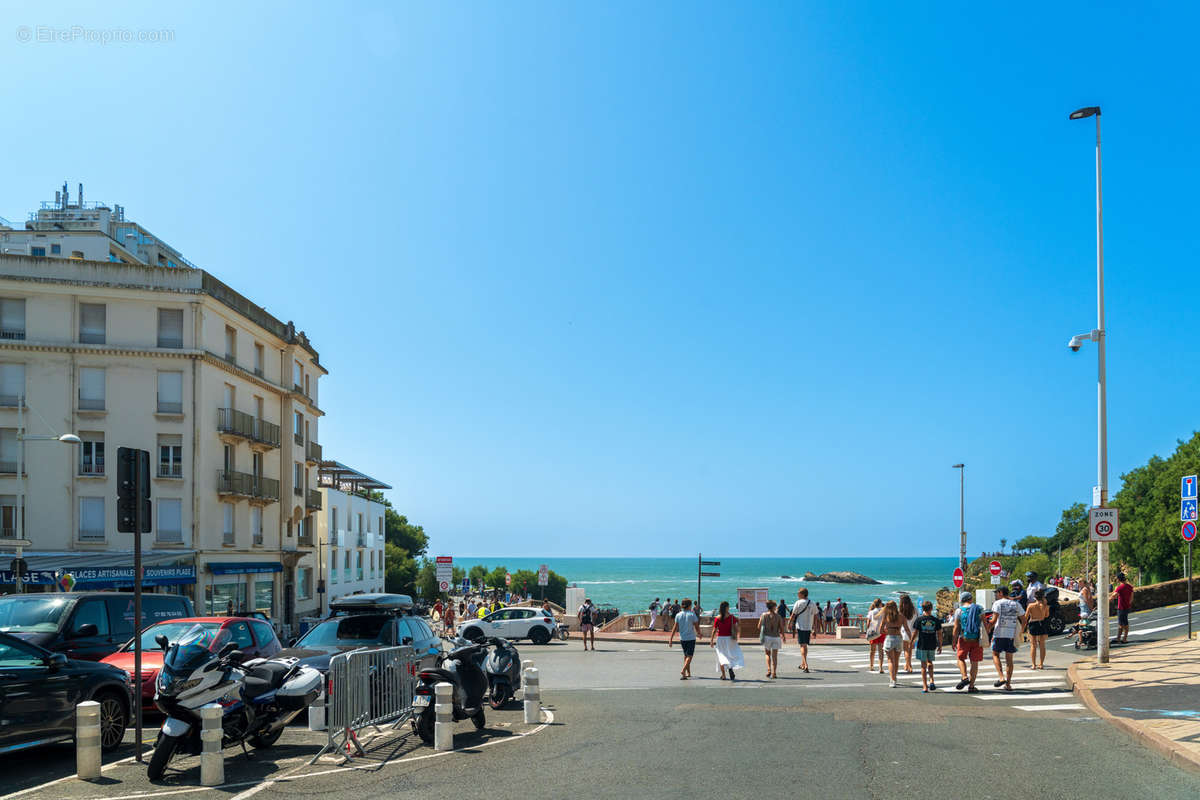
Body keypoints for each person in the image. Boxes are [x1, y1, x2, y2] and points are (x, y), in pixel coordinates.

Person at [988, 585, 1027, 691]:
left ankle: (1001, 677)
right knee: (1009, 659)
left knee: (995, 654)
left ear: (1001, 592)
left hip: (999, 634)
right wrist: (1021, 631)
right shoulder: (1016, 604)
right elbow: (1024, 620)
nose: (996, 595)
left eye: (996, 592)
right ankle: (1008, 684)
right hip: (1011, 634)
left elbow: (994, 620)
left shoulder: (997, 603)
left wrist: (987, 627)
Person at [952, 592, 984, 693]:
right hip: (976, 638)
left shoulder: (959, 610)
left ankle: (964, 676)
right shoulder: (979, 608)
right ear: (970, 599)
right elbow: (985, 624)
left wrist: (954, 641)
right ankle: (971, 686)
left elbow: (956, 627)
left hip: (963, 638)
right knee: (974, 662)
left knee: (960, 658)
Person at [912, 600, 943, 693]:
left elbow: (915, 632)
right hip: (932, 643)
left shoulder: (919, 620)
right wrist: (940, 645)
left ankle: (925, 686)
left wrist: (911, 642)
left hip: (922, 644)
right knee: (930, 662)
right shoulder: (935, 620)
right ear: (931, 608)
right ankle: (932, 680)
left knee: (923, 665)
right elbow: (940, 634)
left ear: (922, 609)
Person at [878, 600, 911, 688]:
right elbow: (907, 629)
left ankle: (892, 680)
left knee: (890, 660)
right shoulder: (901, 616)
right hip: (899, 638)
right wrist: (910, 639)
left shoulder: (886, 616)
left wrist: (886, 631)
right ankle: (895, 678)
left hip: (889, 638)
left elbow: (880, 630)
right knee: (896, 660)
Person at [709, 600, 744, 680]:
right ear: (727, 608)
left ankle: (724, 675)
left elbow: (714, 630)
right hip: (730, 639)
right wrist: (738, 633)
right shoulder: (731, 617)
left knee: (721, 656)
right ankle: (730, 668)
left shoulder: (717, 618)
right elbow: (738, 624)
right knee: (731, 654)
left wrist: (711, 640)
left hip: (720, 639)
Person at [668, 598, 700, 679]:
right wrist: (699, 633)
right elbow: (696, 626)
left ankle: (687, 673)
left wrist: (670, 639)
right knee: (690, 656)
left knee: (686, 656)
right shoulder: (692, 614)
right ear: (689, 606)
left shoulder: (678, 615)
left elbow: (674, 628)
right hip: (691, 638)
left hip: (682, 638)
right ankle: (683, 670)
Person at [788, 588, 816, 672]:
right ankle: (803, 664)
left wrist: (789, 623)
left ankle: (806, 665)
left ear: (803, 594)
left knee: (802, 646)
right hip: (808, 627)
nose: (797, 594)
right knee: (805, 646)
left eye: (798, 593)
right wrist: (814, 628)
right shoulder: (812, 603)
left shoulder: (798, 602)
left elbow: (793, 614)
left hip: (800, 626)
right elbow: (816, 615)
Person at [1025, 588, 1049, 669]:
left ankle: (1033, 664)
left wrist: (1023, 628)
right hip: (1042, 623)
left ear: (1035, 597)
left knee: (1033, 645)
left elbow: (1026, 616)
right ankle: (1041, 664)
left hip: (1033, 624)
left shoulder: (1031, 606)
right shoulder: (1045, 606)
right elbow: (1046, 615)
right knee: (1042, 645)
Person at [759, 600, 784, 678]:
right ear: (774, 607)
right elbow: (781, 628)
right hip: (776, 637)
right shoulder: (778, 616)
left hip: (767, 637)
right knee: (775, 656)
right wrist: (783, 635)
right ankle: (774, 673)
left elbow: (759, 626)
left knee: (767, 654)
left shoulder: (763, 615)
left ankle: (769, 669)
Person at [1112, 573, 1134, 644]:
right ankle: (1122, 638)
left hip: (1121, 607)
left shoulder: (1120, 587)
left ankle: (1122, 639)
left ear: (1118, 579)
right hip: (1127, 607)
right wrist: (1128, 603)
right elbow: (1131, 597)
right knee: (1124, 623)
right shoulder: (1129, 586)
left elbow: (1113, 596)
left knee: (1122, 624)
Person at [865, 599, 885, 674]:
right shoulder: (883, 611)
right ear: (880, 604)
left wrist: (867, 630)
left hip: (873, 632)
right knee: (881, 650)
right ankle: (881, 667)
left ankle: (871, 666)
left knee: (872, 650)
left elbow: (868, 624)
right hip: (881, 632)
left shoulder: (871, 612)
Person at [898, 594, 918, 674]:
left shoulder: (900, 610)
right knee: (910, 650)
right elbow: (918, 619)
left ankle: (908, 665)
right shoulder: (915, 609)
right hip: (913, 632)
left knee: (906, 650)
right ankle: (908, 665)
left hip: (904, 632)